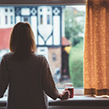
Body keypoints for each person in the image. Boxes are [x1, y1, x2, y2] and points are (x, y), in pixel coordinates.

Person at [0, 22, 70, 109]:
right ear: (31, 39)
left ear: (13, 39)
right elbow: (49, 88)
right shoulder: (40, 60)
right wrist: (60, 95)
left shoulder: (7, 59)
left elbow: (1, 88)